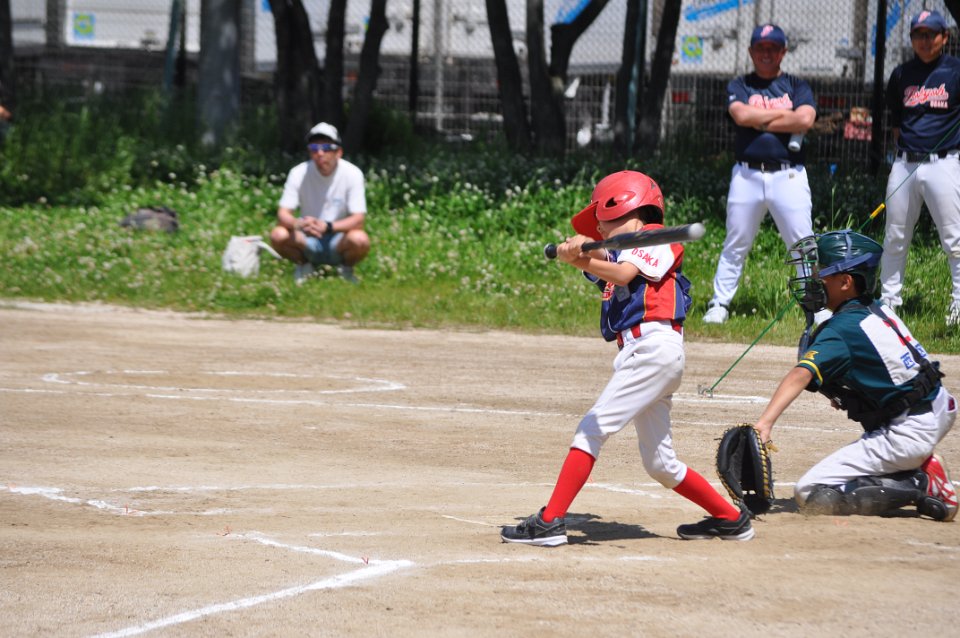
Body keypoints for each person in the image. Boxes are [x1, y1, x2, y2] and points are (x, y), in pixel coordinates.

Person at [500, 171, 754, 546]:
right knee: (661, 464)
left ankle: (550, 522)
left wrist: (581, 260)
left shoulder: (656, 238)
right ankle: (731, 519)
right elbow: (609, 260)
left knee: (591, 428)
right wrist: (582, 250)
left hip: (652, 349)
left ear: (624, 206)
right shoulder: (625, 249)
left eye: (601, 220)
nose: (599, 228)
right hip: (646, 354)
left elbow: (621, 273)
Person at [754, 229, 957, 520]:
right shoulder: (875, 308)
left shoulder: (842, 330)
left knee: (811, 492)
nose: (813, 279)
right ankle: (913, 469)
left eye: (821, 272)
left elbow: (801, 374)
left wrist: (765, 423)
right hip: (937, 406)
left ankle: (921, 481)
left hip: (909, 431)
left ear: (845, 282)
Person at [703, 24, 819, 324]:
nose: (766, 53)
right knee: (736, 241)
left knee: (803, 243)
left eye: (773, 48)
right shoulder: (740, 84)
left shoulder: (796, 85)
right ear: (751, 51)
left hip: (788, 175)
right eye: (760, 48)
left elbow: (805, 119)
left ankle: (815, 305)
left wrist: (761, 121)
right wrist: (785, 116)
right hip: (747, 176)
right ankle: (719, 303)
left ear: (783, 51)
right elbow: (741, 115)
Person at [879, 10, 960, 327]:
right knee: (895, 236)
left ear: (944, 37)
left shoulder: (955, 71)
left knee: (954, 239)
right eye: (918, 34)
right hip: (905, 164)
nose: (924, 40)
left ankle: (958, 307)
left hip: (944, 162)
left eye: (931, 34)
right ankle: (889, 304)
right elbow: (896, 122)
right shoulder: (901, 74)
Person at [270, 122, 370, 284]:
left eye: (327, 147)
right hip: (307, 236)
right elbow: (282, 214)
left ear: (339, 152)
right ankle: (304, 265)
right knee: (278, 235)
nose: (320, 153)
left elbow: (358, 220)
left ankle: (345, 269)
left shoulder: (353, 173)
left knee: (360, 239)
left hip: (338, 238)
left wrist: (328, 226)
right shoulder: (298, 173)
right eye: (314, 148)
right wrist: (299, 224)